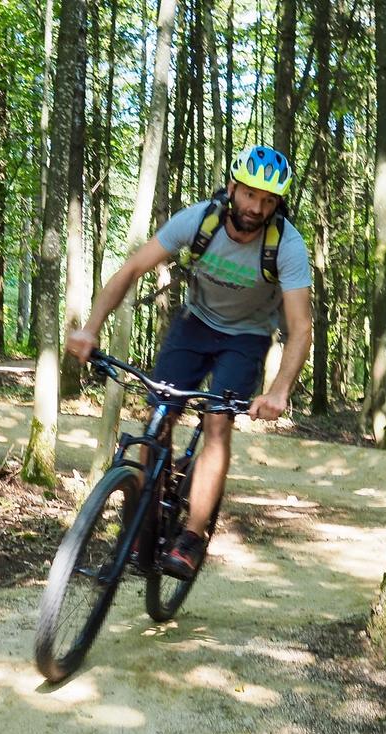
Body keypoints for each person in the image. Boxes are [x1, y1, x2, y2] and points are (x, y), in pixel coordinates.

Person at [65, 145, 313, 580]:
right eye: (251, 195)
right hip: (194, 325)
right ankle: (141, 519)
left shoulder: (287, 247)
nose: (257, 207)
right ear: (233, 188)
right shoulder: (199, 221)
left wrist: (278, 391)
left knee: (217, 423)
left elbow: (300, 325)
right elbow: (130, 270)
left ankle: (192, 537)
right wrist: (90, 327)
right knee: (157, 417)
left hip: (247, 337)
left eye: (268, 200)